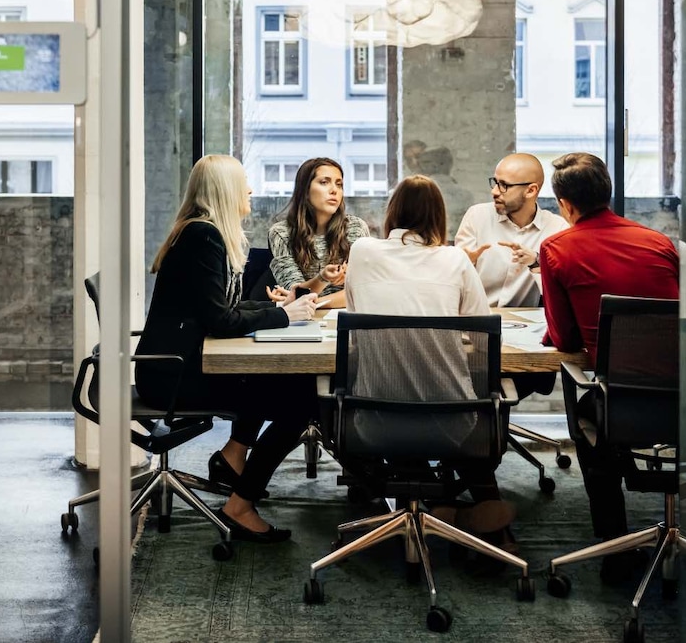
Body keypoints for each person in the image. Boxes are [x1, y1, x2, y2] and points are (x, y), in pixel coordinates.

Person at [135, 155, 320, 543]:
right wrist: (284, 317)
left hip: (178, 366)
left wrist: (278, 309)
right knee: (301, 401)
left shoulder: (199, 232)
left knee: (285, 387)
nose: (250, 189)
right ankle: (240, 504)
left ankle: (234, 462)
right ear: (224, 190)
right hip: (174, 376)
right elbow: (221, 320)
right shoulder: (204, 237)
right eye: (243, 182)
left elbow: (223, 310)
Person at [344, 175, 517, 545]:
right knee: (448, 399)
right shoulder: (454, 259)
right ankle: (471, 513)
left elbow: (357, 319)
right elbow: (481, 332)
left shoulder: (361, 251)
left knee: (388, 392)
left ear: (392, 212)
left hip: (373, 420)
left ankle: (418, 505)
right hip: (452, 422)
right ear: (439, 217)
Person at [538, 152, 679, 578]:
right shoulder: (660, 242)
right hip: (685, 400)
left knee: (582, 409)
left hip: (620, 406)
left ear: (564, 204)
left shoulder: (557, 247)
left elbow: (566, 341)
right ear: (608, 192)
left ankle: (615, 543)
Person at [454, 152, 569, 308]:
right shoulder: (477, 216)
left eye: (504, 185)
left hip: (527, 325)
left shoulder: (557, 228)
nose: (494, 191)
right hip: (478, 318)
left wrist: (536, 261)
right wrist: (463, 264)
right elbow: (454, 285)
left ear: (531, 190)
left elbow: (559, 295)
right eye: (495, 182)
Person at [266, 158, 370, 308]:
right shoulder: (281, 233)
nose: (334, 190)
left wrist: (314, 301)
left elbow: (363, 291)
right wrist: (323, 278)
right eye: (324, 182)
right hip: (301, 321)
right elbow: (296, 292)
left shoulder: (356, 228)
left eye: (339, 184)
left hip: (345, 319)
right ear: (305, 190)